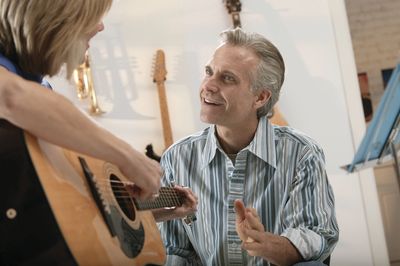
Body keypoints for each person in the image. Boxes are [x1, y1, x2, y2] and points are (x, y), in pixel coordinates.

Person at [157, 28, 339, 265]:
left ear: (261, 97)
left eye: (227, 78)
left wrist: (265, 244)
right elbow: (175, 249)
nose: (208, 86)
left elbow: (318, 235)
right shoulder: (176, 157)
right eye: (209, 72)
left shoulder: (301, 153)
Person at [0, 0, 162, 265]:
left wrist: (148, 210)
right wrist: (128, 157)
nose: (100, 27)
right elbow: (10, 96)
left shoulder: (41, 93)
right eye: (91, 17)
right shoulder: (19, 91)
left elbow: (64, 205)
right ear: (54, 17)